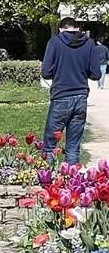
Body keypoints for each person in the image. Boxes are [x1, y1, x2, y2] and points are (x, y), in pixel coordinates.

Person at [42, 15, 102, 164]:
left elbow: (45, 72)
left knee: (50, 145)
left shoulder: (54, 43)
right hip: (80, 97)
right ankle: (72, 181)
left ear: (61, 29)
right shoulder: (89, 44)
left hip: (61, 96)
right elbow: (96, 74)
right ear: (77, 29)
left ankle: (49, 180)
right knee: (73, 146)